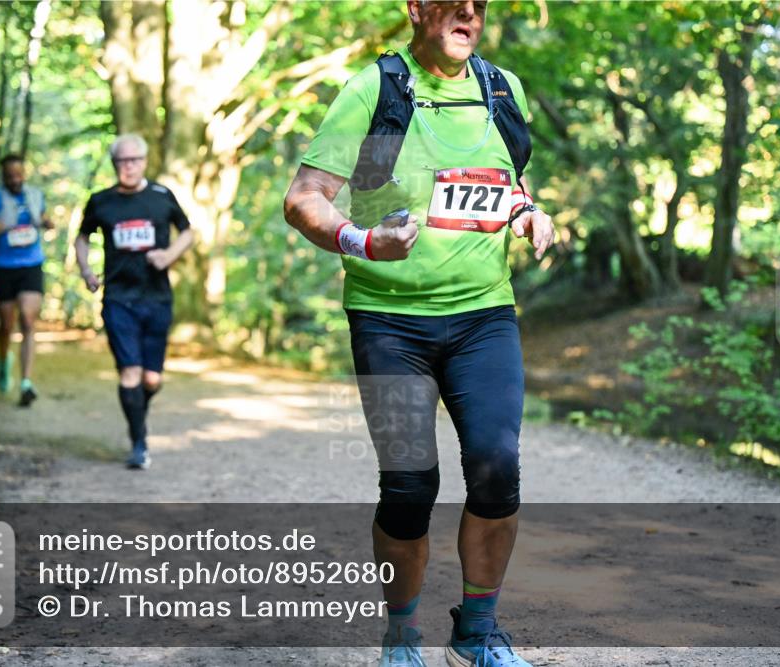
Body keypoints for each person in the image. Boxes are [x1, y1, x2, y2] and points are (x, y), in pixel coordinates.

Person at [283, 2, 554, 666]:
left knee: (497, 468)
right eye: (453, 0)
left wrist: (528, 211)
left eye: (480, 4)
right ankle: (402, 634)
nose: (469, 12)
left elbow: (504, 180)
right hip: (388, 317)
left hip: (483, 314)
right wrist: (362, 238)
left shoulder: (500, 89)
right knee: (409, 483)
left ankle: (478, 629)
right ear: (415, 8)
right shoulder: (377, 90)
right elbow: (305, 197)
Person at [74, 134, 194, 470]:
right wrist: (86, 270)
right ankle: (138, 442)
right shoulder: (101, 201)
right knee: (130, 371)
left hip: (156, 298)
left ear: (144, 161)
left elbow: (187, 232)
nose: (128, 166)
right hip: (118, 298)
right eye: (121, 161)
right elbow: (82, 238)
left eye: (134, 160)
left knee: (150, 379)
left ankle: (138, 411)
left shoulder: (161, 196)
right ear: (114, 164)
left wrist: (169, 255)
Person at [0, 154, 54, 407]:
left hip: (32, 264)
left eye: (19, 174)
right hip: (4, 267)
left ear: (24, 173)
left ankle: (26, 383)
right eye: (10, 176)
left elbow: (42, 217)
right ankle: (3, 362)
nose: (15, 179)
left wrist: (47, 222)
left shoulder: (36, 195)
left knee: (27, 319)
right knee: (6, 324)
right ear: (3, 176)